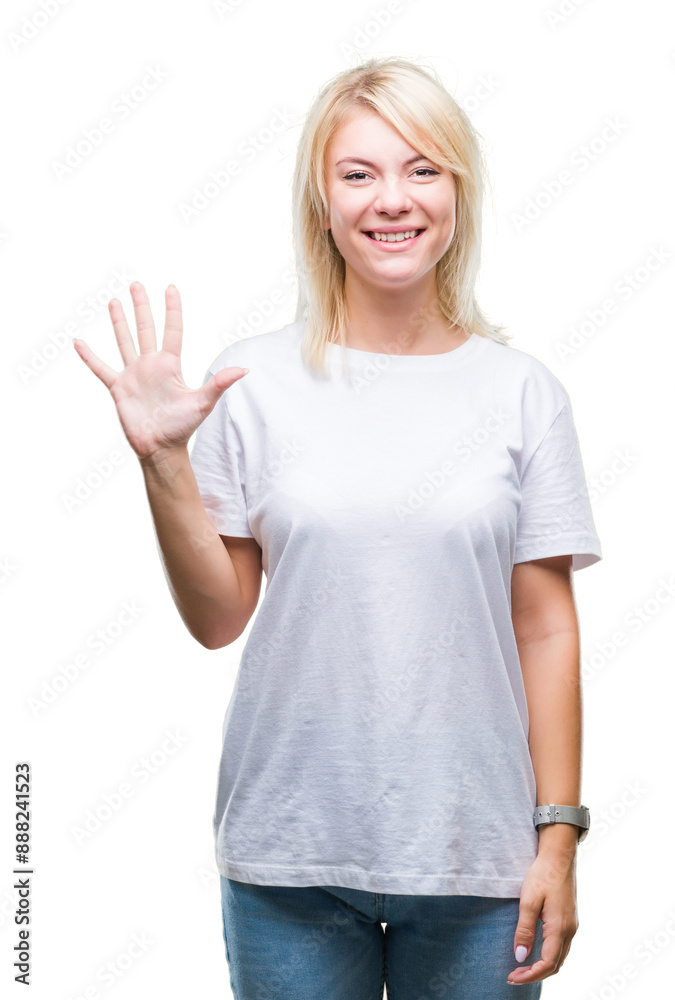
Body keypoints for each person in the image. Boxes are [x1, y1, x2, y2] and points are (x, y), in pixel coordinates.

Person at [73, 55, 602, 1000]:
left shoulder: (522, 394)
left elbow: (546, 626)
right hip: (291, 853)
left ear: (457, 193)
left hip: (479, 862)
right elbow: (219, 615)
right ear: (320, 205)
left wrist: (557, 837)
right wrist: (164, 465)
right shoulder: (251, 383)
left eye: (421, 168)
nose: (390, 199)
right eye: (357, 174)